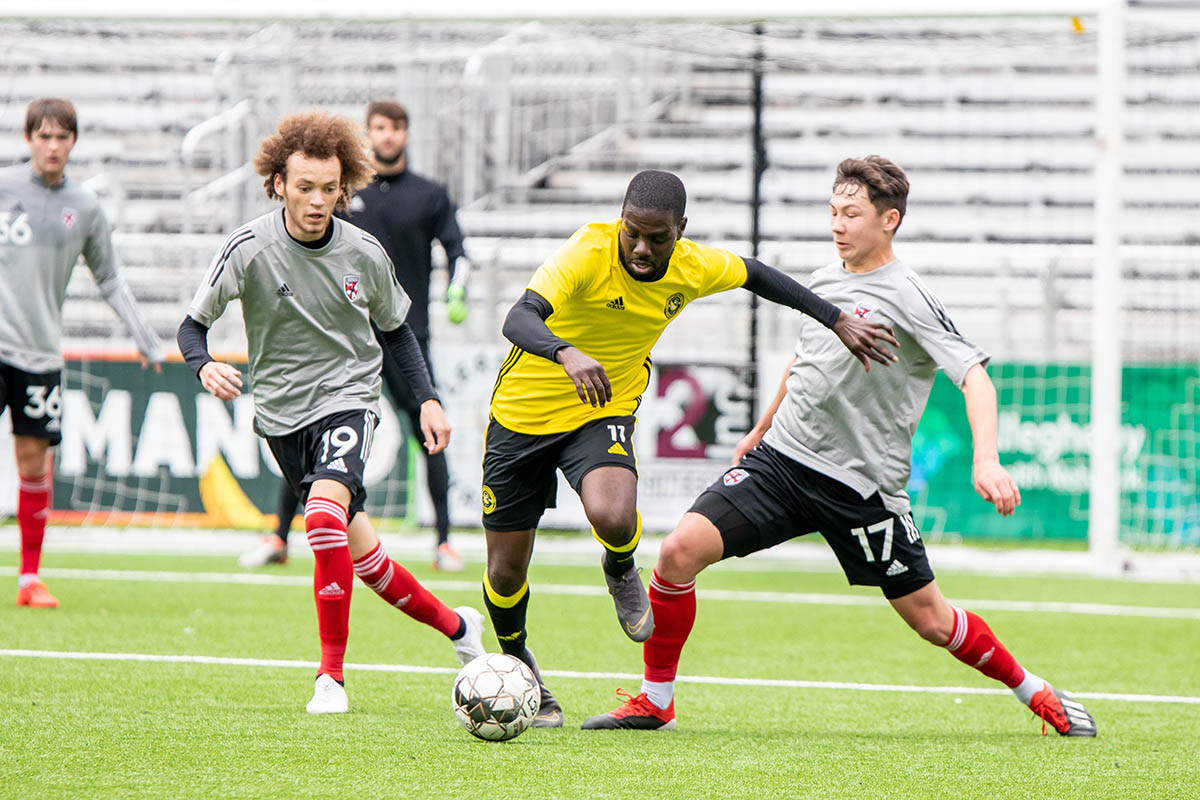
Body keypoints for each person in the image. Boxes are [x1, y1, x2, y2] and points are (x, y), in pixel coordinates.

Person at [581, 156, 1097, 738]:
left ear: (890, 220)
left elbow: (975, 375)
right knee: (677, 553)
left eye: (851, 213)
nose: (837, 224)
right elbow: (805, 360)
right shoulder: (825, 281)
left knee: (931, 621)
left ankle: (1035, 690)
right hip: (783, 461)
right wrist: (760, 428)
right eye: (832, 212)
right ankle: (656, 701)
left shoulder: (908, 295)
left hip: (860, 488)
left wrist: (987, 458)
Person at [483, 168, 900, 727]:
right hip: (519, 417)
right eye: (632, 231)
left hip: (600, 408)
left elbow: (756, 275)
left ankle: (620, 565)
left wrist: (835, 317)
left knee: (612, 512)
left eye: (657, 237)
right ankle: (518, 663)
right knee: (506, 574)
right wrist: (565, 352)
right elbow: (518, 317)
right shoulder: (587, 249)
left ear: (681, 230)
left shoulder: (693, 266)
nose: (640, 247)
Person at [177, 110, 485, 714]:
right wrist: (203, 364)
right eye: (304, 187)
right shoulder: (248, 248)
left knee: (320, 519)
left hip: (349, 399)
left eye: (329, 189)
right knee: (366, 560)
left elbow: (397, 332)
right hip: (280, 415)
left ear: (344, 187)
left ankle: (331, 679)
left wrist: (425, 398)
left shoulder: (364, 252)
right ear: (278, 184)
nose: (318, 201)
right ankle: (458, 628)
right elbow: (192, 328)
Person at [239, 99, 472, 573]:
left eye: (396, 127)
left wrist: (456, 288)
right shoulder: (339, 196)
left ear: (406, 133)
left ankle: (444, 540)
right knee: (309, 431)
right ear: (369, 134)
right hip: (339, 340)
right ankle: (279, 536)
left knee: (425, 430)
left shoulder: (429, 195)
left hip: (404, 332)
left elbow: (458, 250)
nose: (388, 136)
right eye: (380, 128)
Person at [1, 98, 165, 608]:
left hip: (40, 351)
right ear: (29, 139)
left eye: (62, 137)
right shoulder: (3, 188)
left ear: (73, 142)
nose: (52, 146)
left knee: (33, 463)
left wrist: (144, 336)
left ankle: (30, 578)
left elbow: (110, 278)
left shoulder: (86, 207)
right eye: (43, 136)